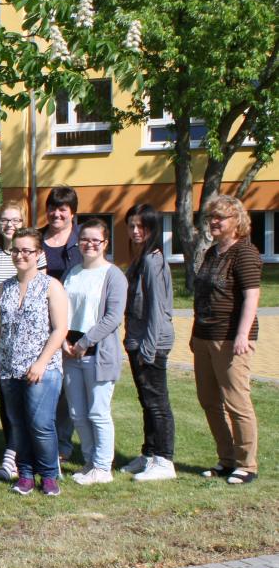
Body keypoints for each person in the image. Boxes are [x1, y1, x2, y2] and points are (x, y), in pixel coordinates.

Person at [0, 228, 68, 497]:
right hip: (10, 367)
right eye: (16, 250)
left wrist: (41, 363)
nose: (20, 255)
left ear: (38, 254)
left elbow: (59, 329)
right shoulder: (5, 287)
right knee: (18, 424)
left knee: (41, 424)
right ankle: (24, 474)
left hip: (41, 369)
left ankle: (48, 475)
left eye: (27, 250)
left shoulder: (51, 286)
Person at [192, 195, 261, 485]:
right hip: (204, 337)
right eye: (211, 218)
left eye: (220, 218)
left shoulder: (244, 253)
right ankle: (227, 459)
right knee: (209, 400)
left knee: (236, 401)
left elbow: (251, 296)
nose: (214, 223)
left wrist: (242, 335)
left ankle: (247, 464)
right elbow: (203, 295)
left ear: (237, 222)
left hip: (231, 340)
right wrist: (195, 335)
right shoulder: (211, 253)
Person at [0, 202, 48, 482]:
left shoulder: (33, 253)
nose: (10, 225)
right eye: (5, 220)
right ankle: (13, 453)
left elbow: (40, 291)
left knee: (32, 401)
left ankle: (30, 457)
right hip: (1, 332)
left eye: (15, 220)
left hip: (30, 338)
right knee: (7, 400)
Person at [62, 219, 127, 486]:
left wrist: (86, 341)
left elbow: (112, 317)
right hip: (70, 352)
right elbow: (62, 308)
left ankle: (103, 466)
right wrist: (63, 340)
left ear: (105, 244)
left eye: (95, 240)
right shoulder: (72, 272)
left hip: (97, 354)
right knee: (77, 413)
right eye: (84, 240)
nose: (89, 245)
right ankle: (90, 462)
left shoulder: (113, 275)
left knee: (98, 412)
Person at [122, 203, 177, 482]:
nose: (135, 231)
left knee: (157, 402)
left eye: (141, 226)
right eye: (131, 225)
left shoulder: (153, 261)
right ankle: (149, 453)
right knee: (146, 400)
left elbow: (158, 308)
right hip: (137, 340)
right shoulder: (140, 258)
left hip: (150, 343)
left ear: (153, 229)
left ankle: (164, 460)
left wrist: (149, 347)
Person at [41, 186, 81, 461]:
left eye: (62, 209)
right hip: (39, 325)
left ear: (72, 214)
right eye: (53, 208)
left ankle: (62, 444)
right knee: (42, 385)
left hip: (69, 326)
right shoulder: (37, 239)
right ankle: (40, 440)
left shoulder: (80, 244)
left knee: (66, 389)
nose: (56, 213)